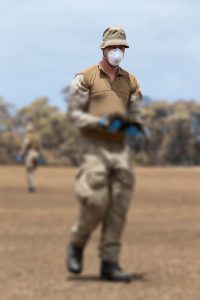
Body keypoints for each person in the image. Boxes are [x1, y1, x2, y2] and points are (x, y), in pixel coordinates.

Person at [67, 26, 144, 282]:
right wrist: (97, 123)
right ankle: (77, 241)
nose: (117, 52)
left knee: (119, 206)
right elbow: (74, 113)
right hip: (94, 148)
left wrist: (135, 125)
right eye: (113, 47)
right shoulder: (85, 77)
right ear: (103, 48)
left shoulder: (131, 81)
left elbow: (137, 112)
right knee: (97, 202)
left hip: (120, 149)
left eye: (121, 47)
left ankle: (109, 263)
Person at [18, 123, 41, 192]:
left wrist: (20, 154)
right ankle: (32, 185)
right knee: (32, 171)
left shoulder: (28, 136)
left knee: (29, 171)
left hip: (30, 154)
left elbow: (25, 146)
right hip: (36, 154)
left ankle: (32, 186)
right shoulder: (37, 137)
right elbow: (40, 147)